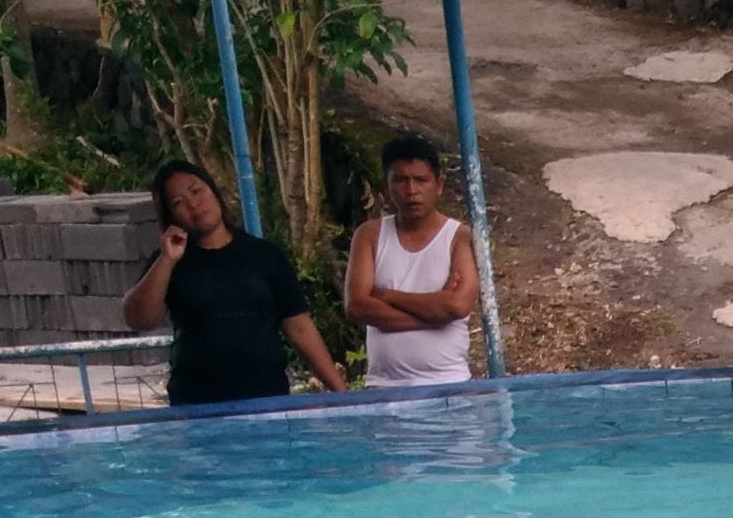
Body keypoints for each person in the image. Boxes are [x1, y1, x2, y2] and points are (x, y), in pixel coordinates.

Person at [123, 161, 345, 406]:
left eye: (196, 191)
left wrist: (342, 393)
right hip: (196, 405)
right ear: (170, 216)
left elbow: (300, 327)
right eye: (178, 202)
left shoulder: (265, 255)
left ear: (214, 193)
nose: (192, 204)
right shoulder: (169, 262)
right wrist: (167, 259)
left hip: (267, 400)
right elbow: (139, 319)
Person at [344, 135, 479, 388]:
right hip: (384, 387)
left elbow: (457, 306)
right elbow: (357, 306)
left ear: (439, 184)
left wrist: (386, 295)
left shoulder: (459, 237)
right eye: (400, 180)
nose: (411, 191)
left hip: (448, 383)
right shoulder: (370, 235)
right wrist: (434, 314)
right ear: (387, 185)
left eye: (421, 180)